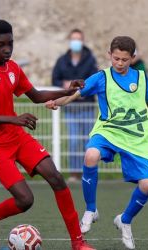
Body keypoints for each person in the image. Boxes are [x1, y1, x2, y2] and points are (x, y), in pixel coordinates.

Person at [46, 36, 148, 249]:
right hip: (108, 131)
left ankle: (124, 220)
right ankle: (91, 209)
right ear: (109, 55)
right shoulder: (101, 77)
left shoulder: (142, 78)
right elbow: (72, 95)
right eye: (116, 58)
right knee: (91, 155)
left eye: (124, 60)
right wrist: (56, 102)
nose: (119, 63)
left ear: (132, 58)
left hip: (137, 137)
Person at [0, 20, 95, 250]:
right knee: (25, 200)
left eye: (11, 44)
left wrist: (68, 90)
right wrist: (12, 119)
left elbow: (36, 96)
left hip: (16, 136)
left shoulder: (13, 68)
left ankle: (78, 243)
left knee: (56, 177)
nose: (7, 49)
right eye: (1, 45)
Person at [52, 29, 98, 182]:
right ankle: (74, 173)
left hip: (86, 106)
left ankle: (88, 173)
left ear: (83, 41)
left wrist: (80, 87)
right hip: (70, 108)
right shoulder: (62, 60)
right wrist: (64, 85)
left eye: (78, 39)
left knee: (88, 141)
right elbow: (55, 79)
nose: (76, 42)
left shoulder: (90, 59)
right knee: (73, 140)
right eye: (73, 39)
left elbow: (94, 79)